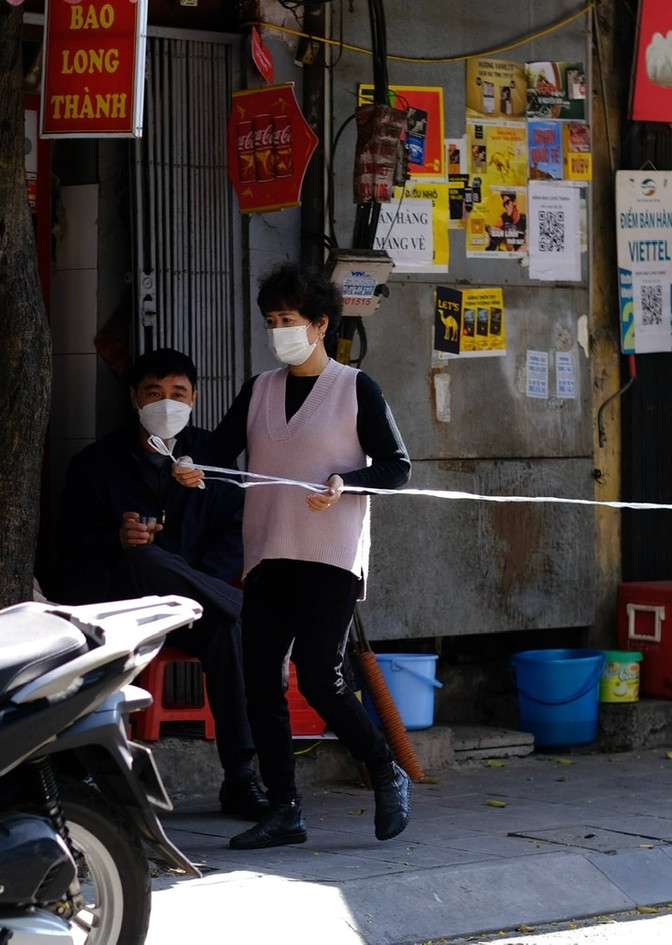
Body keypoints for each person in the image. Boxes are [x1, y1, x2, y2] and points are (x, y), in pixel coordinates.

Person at [173, 262, 414, 850]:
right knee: (261, 681)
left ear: (321, 325)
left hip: (329, 555)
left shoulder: (357, 388)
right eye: (272, 321)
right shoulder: (259, 389)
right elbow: (221, 449)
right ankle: (284, 810)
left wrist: (345, 481)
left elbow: (398, 468)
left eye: (289, 320)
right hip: (269, 553)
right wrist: (187, 463)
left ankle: (385, 769)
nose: (279, 330)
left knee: (321, 678)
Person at [48, 348, 267, 821]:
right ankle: (240, 607)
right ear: (134, 398)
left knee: (225, 633)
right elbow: (67, 546)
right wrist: (117, 541)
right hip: (120, 608)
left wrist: (195, 584)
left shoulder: (214, 459)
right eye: (154, 393)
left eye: (177, 394)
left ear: (195, 398)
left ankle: (241, 777)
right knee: (148, 557)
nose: (166, 403)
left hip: (196, 604)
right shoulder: (97, 463)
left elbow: (237, 535)